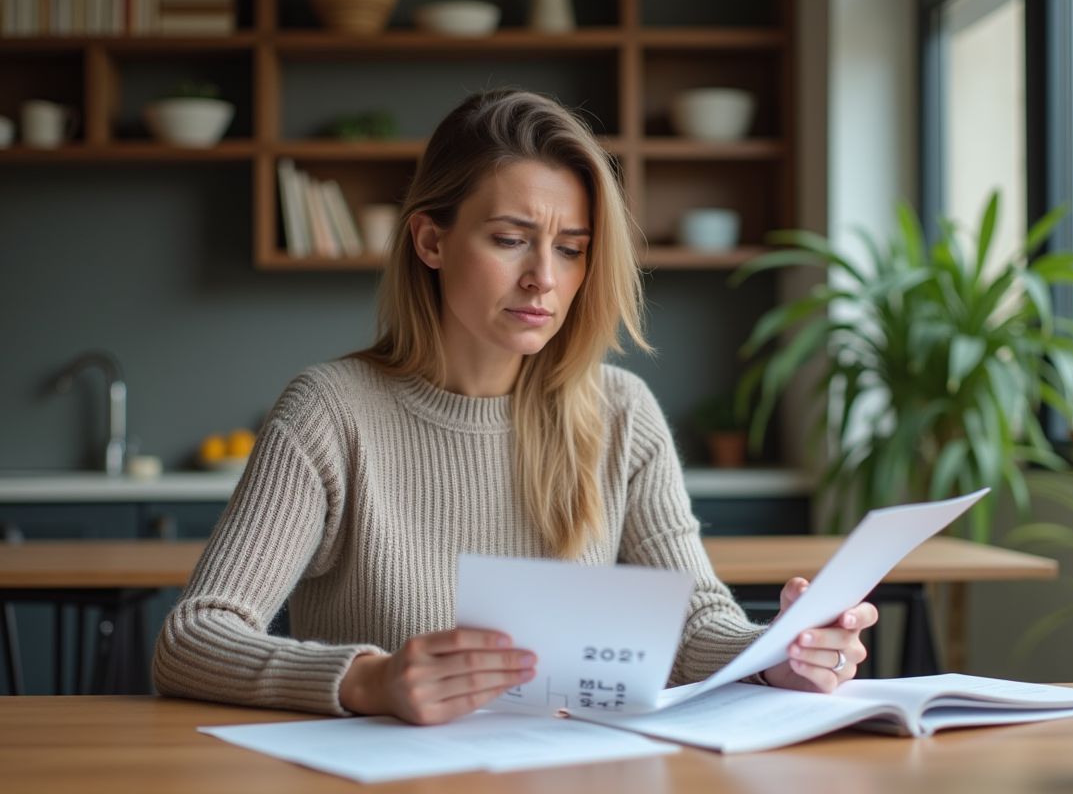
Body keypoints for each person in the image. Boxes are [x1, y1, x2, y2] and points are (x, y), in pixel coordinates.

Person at [153, 88, 878, 725]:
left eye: (571, 249)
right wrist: (368, 680)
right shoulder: (331, 413)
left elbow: (693, 627)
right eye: (510, 240)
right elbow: (193, 638)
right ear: (431, 240)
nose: (543, 280)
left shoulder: (621, 412)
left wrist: (775, 653)